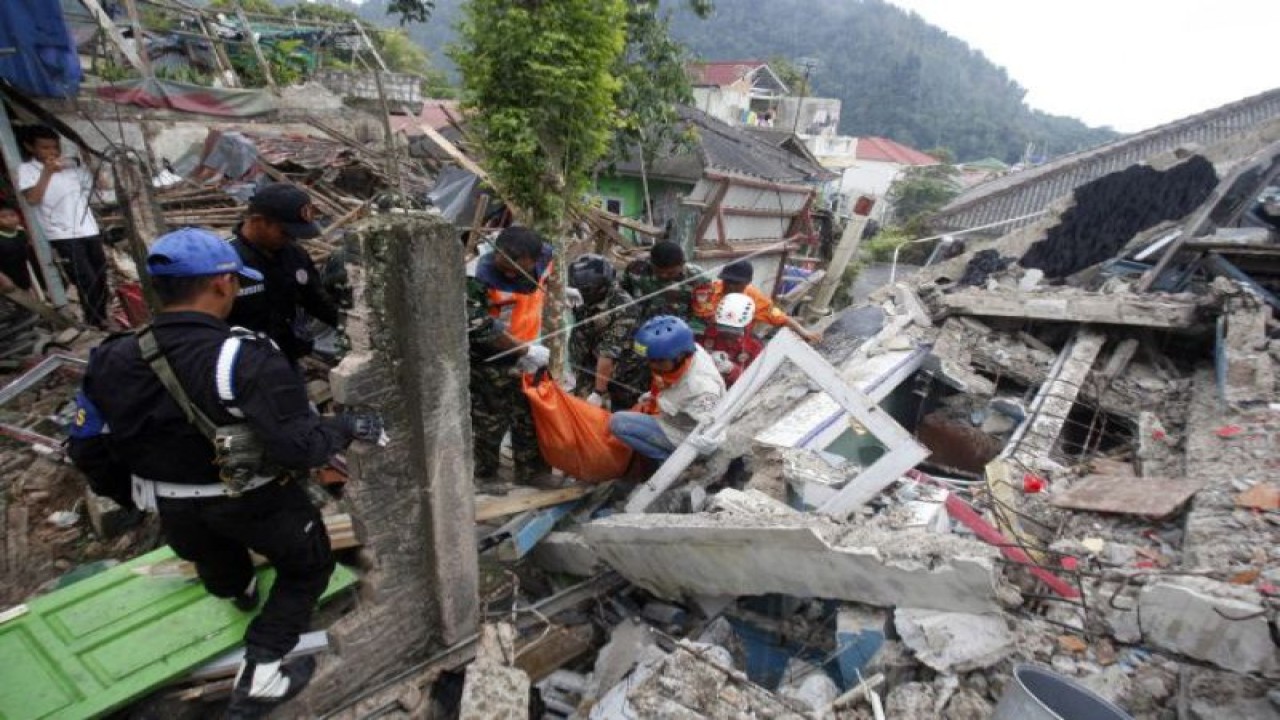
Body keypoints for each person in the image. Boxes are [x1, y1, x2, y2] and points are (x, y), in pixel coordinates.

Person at [66, 228, 383, 718]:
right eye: (235, 281)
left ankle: (239, 590)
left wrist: (129, 497)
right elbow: (299, 448)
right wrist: (343, 426)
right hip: (253, 501)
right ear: (220, 285)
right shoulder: (245, 356)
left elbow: (86, 445)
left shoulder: (110, 357)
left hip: (172, 505)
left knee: (216, 560)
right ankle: (263, 669)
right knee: (308, 566)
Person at [467, 226, 554, 487]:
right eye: (503, 265)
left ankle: (533, 473)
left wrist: (562, 292)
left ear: (534, 260)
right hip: (490, 359)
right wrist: (525, 350)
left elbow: (543, 284)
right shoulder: (475, 278)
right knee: (490, 420)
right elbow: (479, 328)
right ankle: (487, 475)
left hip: (528, 353)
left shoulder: (546, 257)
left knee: (530, 416)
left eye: (516, 268)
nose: (508, 273)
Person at [227, 184, 342, 364]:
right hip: (247, 367)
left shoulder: (294, 255)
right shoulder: (225, 264)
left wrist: (351, 328)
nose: (291, 239)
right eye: (285, 232)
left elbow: (317, 301)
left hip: (288, 357)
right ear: (258, 222)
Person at [18, 125, 110, 327]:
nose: (52, 152)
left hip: (89, 229)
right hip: (62, 235)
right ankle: (96, 322)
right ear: (30, 147)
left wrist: (91, 164)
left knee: (101, 276)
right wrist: (47, 173)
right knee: (86, 280)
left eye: (55, 147)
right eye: (45, 148)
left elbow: (103, 186)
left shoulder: (72, 169)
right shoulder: (27, 170)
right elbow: (32, 199)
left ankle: (103, 318)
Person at [609, 315, 726, 463]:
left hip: (684, 433)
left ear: (680, 355)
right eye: (650, 360)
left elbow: (714, 433)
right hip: (676, 417)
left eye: (659, 361)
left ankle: (668, 461)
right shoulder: (687, 351)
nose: (653, 366)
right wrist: (654, 396)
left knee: (619, 423)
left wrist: (700, 449)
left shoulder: (702, 390)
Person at [567, 253, 647, 410]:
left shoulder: (624, 310)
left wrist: (598, 392)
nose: (582, 293)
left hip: (621, 374)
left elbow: (607, 355)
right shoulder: (587, 296)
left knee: (614, 416)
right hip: (588, 364)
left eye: (586, 290)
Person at [694, 260, 822, 344]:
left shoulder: (755, 298)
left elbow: (781, 317)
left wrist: (804, 332)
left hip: (737, 345)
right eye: (728, 282)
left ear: (747, 282)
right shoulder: (708, 291)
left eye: (736, 283)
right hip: (706, 340)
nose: (731, 287)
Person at [621, 240, 713, 330]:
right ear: (651, 262)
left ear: (682, 264)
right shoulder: (636, 268)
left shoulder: (698, 279)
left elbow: (701, 319)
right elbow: (622, 296)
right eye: (658, 271)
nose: (663, 276)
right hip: (639, 328)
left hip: (678, 331)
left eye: (670, 273)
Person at [699, 292, 765, 386]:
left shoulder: (754, 347)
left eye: (734, 330)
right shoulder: (708, 334)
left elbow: (753, 381)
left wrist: (731, 369)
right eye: (723, 328)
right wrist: (706, 357)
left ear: (747, 324)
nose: (728, 334)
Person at [0, 204, 32, 292]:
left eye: (12, 215)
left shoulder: (21, 233)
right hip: (6, 280)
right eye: (3, 217)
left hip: (23, 276)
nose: (9, 219)